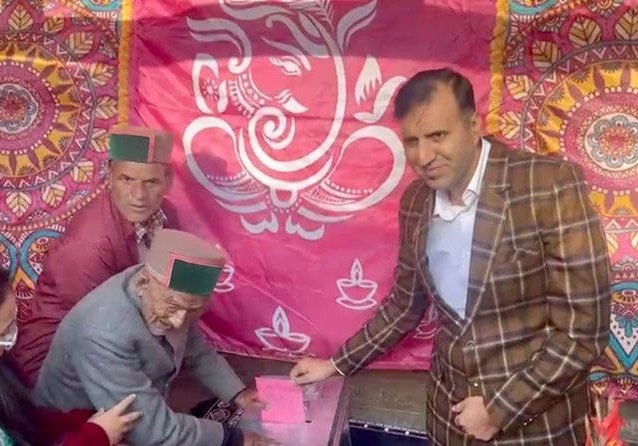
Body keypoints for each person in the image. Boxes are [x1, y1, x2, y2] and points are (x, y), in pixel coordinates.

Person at [290, 68, 611, 445]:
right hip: (448, 419)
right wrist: (336, 364)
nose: (424, 156)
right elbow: (404, 307)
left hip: (534, 426)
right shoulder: (416, 203)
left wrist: (499, 409)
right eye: (412, 141)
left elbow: (583, 332)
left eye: (438, 136)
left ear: (473, 126)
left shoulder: (547, 185)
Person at [35, 229, 277, 446]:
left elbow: (195, 349)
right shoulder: (104, 332)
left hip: (136, 416)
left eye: (192, 310)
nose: (179, 321)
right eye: (174, 307)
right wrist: (233, 439)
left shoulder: (166, 294)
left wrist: (237, 393)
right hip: (77, 434)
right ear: (143, 283)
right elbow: (150, 430)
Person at [12, 126, 182, 387]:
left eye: (151, 182)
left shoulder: (165, 215)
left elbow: (172, 292)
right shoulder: (90, 245)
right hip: (54, 365)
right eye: (126, 179)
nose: (138, 196)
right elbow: (99, 330)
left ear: (167, 181)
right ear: (109, 176)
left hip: (122, 335)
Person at [0, 251, 141, 446]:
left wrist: (86, 421)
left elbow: (28, 423)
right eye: (1, 335)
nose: (10, 341)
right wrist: (96, 436)